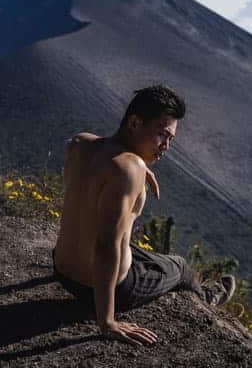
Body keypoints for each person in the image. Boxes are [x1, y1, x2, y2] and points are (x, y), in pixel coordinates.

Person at [52, 84, 236, 346]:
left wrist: (135, 164)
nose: (166, 146)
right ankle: (207, 298)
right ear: (135, 123)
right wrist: (107, 322)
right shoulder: (128, 170)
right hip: (102, 286)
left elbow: (83, 155)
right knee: (181, 266)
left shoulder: (81, 144)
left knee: (129, 244)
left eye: (171, 139)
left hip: (61, 269)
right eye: (162, 134)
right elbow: (106, 247)